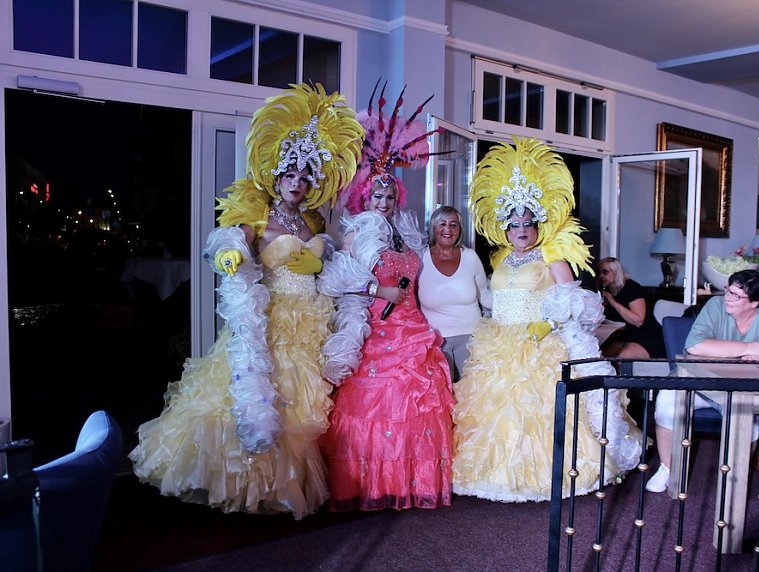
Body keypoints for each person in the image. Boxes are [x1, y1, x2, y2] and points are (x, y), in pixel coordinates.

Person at [129, 84, 364, 517]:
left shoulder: (314, 221)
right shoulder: (259, 216)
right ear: (276, 178)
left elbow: (327, 267)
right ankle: (248, 488)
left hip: (308, 323)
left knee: (297, 406)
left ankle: (283, 488)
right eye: (290, 176)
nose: (297, 183)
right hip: (271, 320)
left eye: (305, 177)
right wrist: (230, 250)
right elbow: (231, 236)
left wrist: (327, 262)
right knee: (263, 397)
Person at [452, 137, 642, 502]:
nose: (521, 229)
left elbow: (574, 304)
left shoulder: (552, 256)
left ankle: (541, 474)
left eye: (528, 222)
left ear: (538, 224)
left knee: (534, 411)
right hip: (498, 341)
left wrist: (547, 324)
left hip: (538, 343)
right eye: (514, 223)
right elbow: (496, 299)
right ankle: (495, 473)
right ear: (504, 227)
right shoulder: (500, 258)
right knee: (495, 410)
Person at [316, 85, 454, 511]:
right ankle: (372, 481)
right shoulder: (358, 231)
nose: (385, 201)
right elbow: (335, 281)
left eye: (390, 196)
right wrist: (378, 289)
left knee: (421, 401)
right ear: (365, 196)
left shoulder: (407, 230)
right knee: (376, 403)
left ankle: (409, 479)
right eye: (378, 195)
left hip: (411, 324)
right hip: (378, 325)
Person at [646, 269, 759, 493]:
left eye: (736, 296)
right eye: (728, 291)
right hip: (702, 386)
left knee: (745, 415)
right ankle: (667, 468)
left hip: (743, 392)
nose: (728, 298)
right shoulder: (715, 306)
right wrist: (748, 349)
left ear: (755, 302)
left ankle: (736, 479)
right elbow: (695, 346)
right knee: (666, 399)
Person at [417, 206, 492, 381]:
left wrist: (520, 304)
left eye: (454, 225)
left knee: (470, 397)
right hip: (434, 341)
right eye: (442, 224)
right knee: (441, 400)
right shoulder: (420, 258)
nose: (448, 230)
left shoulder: (471, 257)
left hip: (472, 339)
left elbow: (486, 297)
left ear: (460, 229)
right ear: (433, 228)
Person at [597, 256, 665, 359]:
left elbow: (638, 321)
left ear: (616, 272)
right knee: (599, 355)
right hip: (623, 336)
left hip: (646, 336)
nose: (601, 276)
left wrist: (613, 303)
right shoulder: (606, 292)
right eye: (598, 272)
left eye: (605, 272)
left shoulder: (631, 287)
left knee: (622, 356)